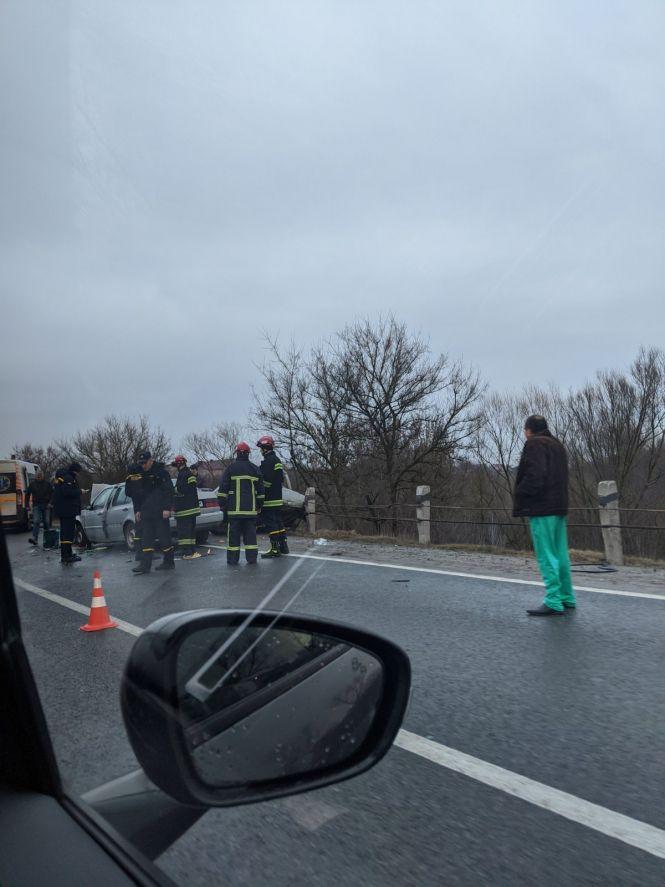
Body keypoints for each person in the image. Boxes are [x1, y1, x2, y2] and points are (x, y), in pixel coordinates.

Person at [513, 415, 576, 616]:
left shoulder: (534, 444)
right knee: (560, 554)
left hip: (542, 507)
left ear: (529, 430)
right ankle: (567, 597)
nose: (525, 434)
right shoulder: (557, 445)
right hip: (559, 506)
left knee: (546, 554)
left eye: (525, 430)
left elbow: (535, 476)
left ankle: (553, 600)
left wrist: (520, 492)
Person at [217, 443, 264, 565]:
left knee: (233, 537)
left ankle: (233, 560)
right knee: (251, 536)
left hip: (234, 512)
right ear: (248, 454)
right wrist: (259, 505)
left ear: (237, 453)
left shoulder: (230, 469)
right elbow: (261, 492)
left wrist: (222, 505)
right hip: (250, 511)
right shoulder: (255, 469)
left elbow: (223, 489)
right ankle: (252, 559)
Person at [132, 451, 175, 574]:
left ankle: (169, 562)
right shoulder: (140, 474)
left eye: (145, 463)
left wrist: (167, 508)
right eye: (141, 464)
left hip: (160, 511)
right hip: (146, 512)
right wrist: (138, 510)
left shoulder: (161, 473)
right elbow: (137, 494)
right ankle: (145, 565)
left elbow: (169, 491)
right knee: (147, 539)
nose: (143, 466)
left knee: (164, 538)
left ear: (151, 460)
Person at [256, 435, 289, 558]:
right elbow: (280, 479)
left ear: (264, 448)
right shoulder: (277, 460)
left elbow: (266, 482)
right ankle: (284, 546)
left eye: (261, 448)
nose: (260, 451)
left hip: (269, 499)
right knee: (279, 522)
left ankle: (275, 549)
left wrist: (257, 486)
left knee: (271, 524)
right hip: (278, 497)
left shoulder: (267, 462)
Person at [52, 462, 83, 564]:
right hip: (68, 510)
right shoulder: (69, 478)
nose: (79, 474)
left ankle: (67, 554)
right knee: (68, 534)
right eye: (78, 472)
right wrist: (80, 491)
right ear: (75, 470)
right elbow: (67, 492)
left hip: (64, 510)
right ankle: (66, 556)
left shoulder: (65, 477)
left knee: (65, 533)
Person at [171, 455, 201, 560]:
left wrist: (173, 491)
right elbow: (191, 489)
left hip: (184, 509)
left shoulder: (183, 474)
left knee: (184, 531)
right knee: (191, 530)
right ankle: (192, 549)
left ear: (179, 464)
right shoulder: (189, 474)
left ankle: (185, 550)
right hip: (192, 508)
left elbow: (182, 489)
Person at [25, 470, 53, 548]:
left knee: (46, 522)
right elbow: (27, 495)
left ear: (43, 476)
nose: (39, 477)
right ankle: (35, 539)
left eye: (40, 476)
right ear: (35, 476)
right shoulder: (32, 484)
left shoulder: (48, 484)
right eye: (37, 476)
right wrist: (27, 505)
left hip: (46, 505)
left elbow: (52, 494)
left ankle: (48, 539)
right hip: (36, 505)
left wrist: (50, 503)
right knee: (36, 521)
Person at [124, 462, 145, 562]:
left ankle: (139, 554)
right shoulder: (142, 477)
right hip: (144, 506)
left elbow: (127, 493)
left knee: (139, 530)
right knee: (146, 530)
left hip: (136, 506)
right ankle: (146, 553)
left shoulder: (128, 478)